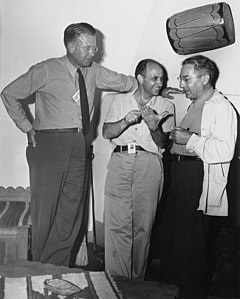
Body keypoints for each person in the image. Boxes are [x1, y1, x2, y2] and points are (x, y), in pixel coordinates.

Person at [1, 22, 176, 267]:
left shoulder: (93, 71)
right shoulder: (46, 69)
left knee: (72, 212)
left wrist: (159, 88)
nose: (95, 52)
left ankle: (57, 268)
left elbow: (129, 82)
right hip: (50, 143)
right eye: (89, 48)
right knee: (47, 212)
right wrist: (27, 127)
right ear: (71, 46)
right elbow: (9, 93)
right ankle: (41, 270)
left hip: (79, 144)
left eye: (95, 47)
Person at [158, 55, 237, 298]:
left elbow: (225, 150)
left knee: (191, 245)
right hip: (181, 173)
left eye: (186, 78)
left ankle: (192, 292)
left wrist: (188, 139)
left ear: (204, 78)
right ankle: (175, 290)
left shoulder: (220, 107)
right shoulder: (197, 101)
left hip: (196, 177)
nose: (182, 84)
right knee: (173, 240)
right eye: (181, 78)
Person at [102, 58, 175, 279]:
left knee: (143, 228)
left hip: (149, 164)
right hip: (121, 161)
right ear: (140, 78)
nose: (160, 82)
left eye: (162, 78)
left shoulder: (166, 105)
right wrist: (125, 121)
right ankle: (117, 283)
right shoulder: (119, 102)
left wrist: (154, 128)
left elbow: (164, 143)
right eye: (155, 78)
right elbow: (107, 132)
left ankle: (136, 285)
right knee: (117, 226)